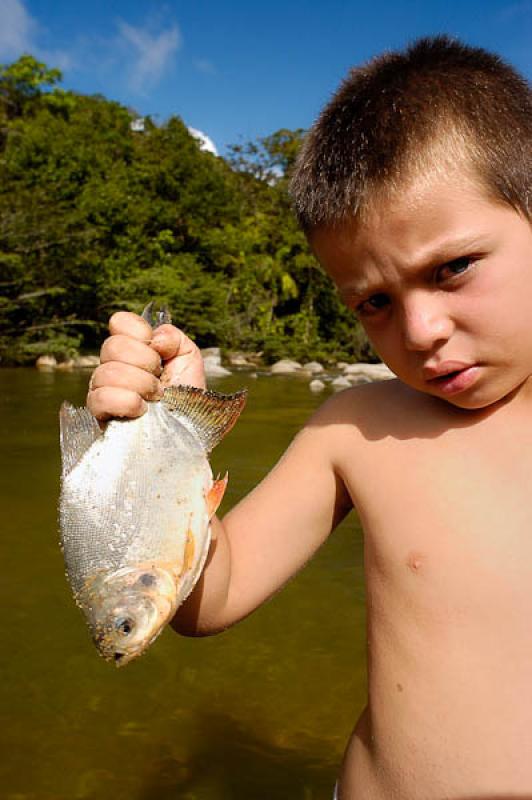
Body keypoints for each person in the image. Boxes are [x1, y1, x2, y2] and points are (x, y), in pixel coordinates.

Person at [87, 36, 532, 800]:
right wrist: (159, 443)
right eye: (374, 303)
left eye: (451, 268)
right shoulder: (356, 428)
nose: (420, 331)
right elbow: (207, 596)